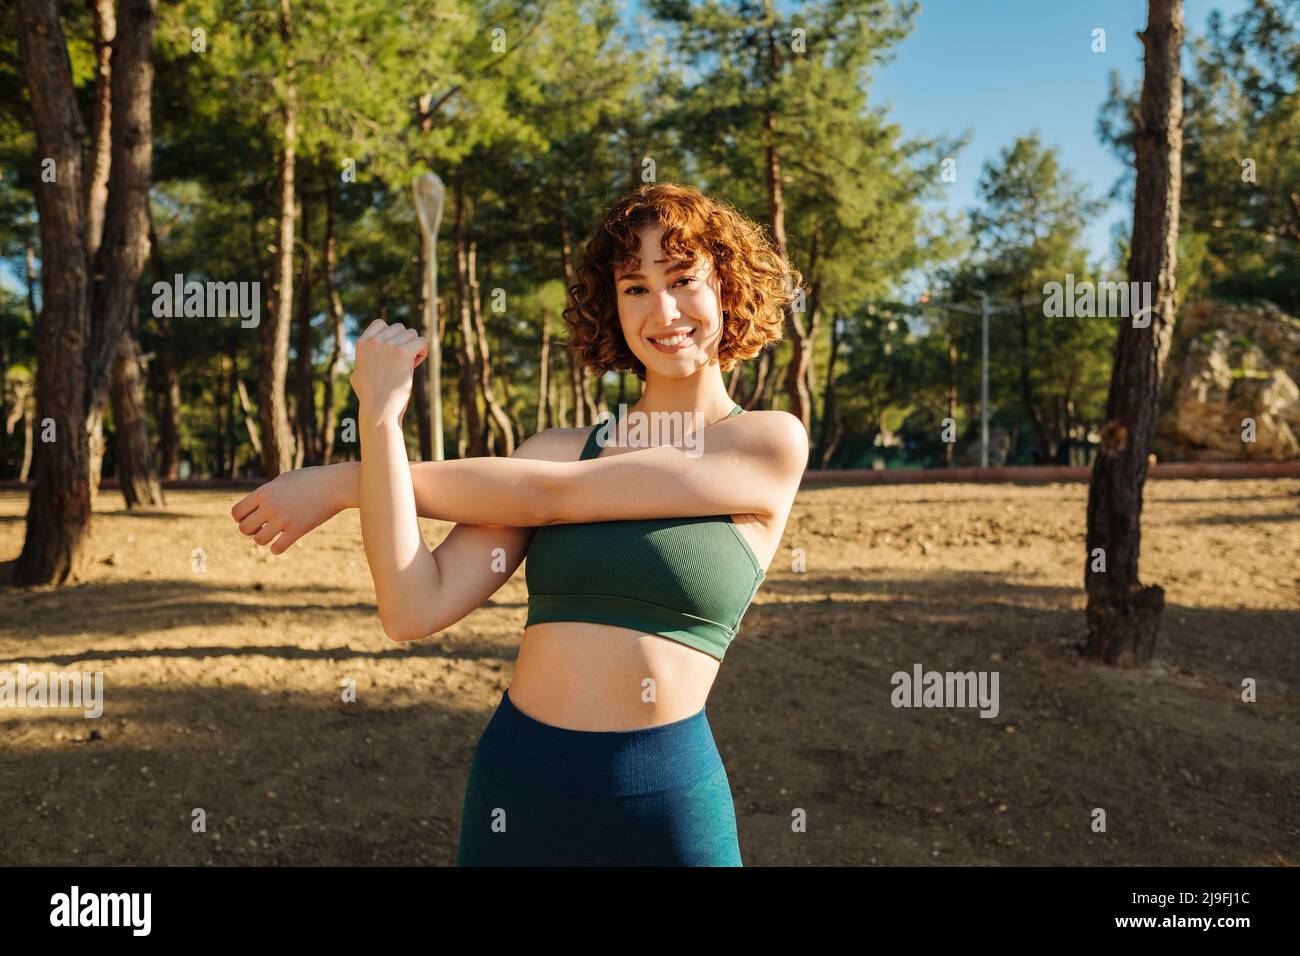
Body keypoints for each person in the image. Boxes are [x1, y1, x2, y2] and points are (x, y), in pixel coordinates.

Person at [230, 182, 808, 866]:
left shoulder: (766, 443)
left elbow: (549, 497)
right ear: (612, 306)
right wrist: (381, 423)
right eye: (635, 287)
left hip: (662, 796)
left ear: (727, 288)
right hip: (520, 784)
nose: (664, 309)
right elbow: (413, 607)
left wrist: (337, 484)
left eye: (684, 279)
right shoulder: (556, 448)